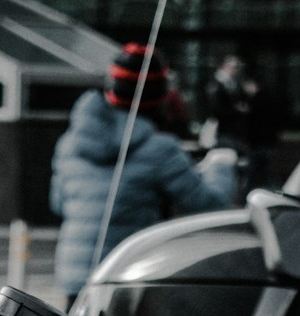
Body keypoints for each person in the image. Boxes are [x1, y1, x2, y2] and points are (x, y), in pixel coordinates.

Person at [50, 44, 237, 302]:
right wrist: (221, 164)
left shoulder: (70, 142)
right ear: (159, 97)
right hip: (127, 276)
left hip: (75, 277)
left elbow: (59, 204)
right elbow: (209, 204)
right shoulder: (160, 149)